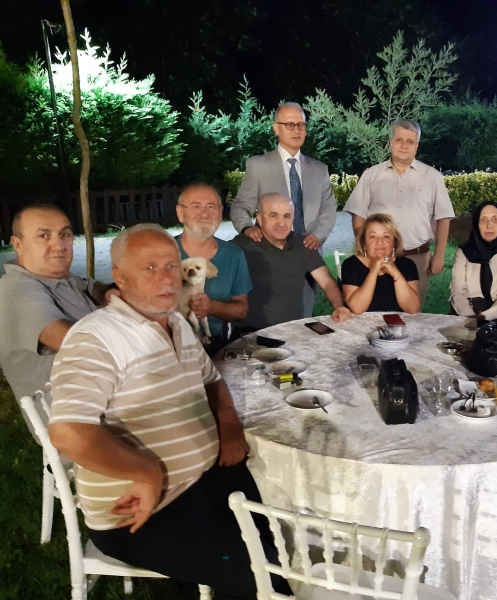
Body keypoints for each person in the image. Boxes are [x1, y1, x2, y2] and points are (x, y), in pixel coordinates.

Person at [47, 224, 291, 599]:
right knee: (271, 575)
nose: (166, 278)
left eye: (172, 266)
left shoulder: (176, 321)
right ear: (119, 277)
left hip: (204, 478)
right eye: (150, 268)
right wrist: (145, 473)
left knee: (290, 528)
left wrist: (228, 428)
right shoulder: (96, 336)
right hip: (144, 512)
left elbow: (212, 380)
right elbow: (69, 431)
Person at [0, 205, 111, 435]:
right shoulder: (18, 291)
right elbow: (74, 341)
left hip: (109, 397)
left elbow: (91, 286)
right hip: (84, 425)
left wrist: (109, 291)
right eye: (44, 236)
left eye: (65, 234)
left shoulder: (59, 278)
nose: (59, 245)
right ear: (17, 244)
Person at [230, 101, 337, 317]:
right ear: (276, 128)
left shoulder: (319, 169)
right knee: (270, 313)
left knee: (303, 313)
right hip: (270, 257)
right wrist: (246, 227)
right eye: (289, 124)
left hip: (307, 253)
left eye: (301, 124)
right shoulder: (258, 166)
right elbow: (241, 205)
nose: (296, 130)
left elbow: (329, 208)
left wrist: (317, 236)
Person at [343, 119, 455, 304]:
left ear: (416, 146)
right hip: (376, 259)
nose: (404, 145)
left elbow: (443, 218)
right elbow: (358, 216)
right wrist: (366, 250)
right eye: (399, 140)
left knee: (412, 313)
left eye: (410, 141)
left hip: (417, 258)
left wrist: (439, 255)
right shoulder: (371, 176)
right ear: (390, 143)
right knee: (372, 310)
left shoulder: (433, 177)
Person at [232, 193, 351, 329]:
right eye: (273, 215)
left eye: (286, 216)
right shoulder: (243, 246)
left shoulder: (303, 244)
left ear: (293, 218)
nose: (281, 223)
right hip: (253, 333)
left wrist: (338, 306)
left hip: (293, 330)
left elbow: (327, 282)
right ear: (260, 219)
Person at [175, 183, 252, 354]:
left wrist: (212, 307)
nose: (204, 214)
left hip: (216, 347)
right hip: (168, 348)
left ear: (220, 212)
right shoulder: (163, 252)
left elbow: (241, 310)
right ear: (180, 213)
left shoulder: (233, 254)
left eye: (211, 207)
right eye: (196, 207)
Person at [450, 201, 497, 320]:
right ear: (476, 224)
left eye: (495, 219)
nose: (489, 225)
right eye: (483, 220)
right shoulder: (463, 253)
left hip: (495, 318)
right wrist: (471, 319)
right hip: (464, 316)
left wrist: (482, 318)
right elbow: (457, 293)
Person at [341, 213, 420, 314]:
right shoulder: (350, 265)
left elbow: (412, 308)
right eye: (372, 237)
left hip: (398, 323)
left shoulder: (407, 265)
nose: (379, 242)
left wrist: (395, 272)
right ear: (363, 242)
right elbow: (357, 308)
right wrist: (373, 271)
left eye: (386, 236)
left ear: (395, 242)